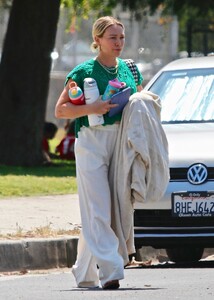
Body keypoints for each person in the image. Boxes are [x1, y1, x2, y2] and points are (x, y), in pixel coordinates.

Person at [55, 16, 143, 289]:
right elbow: (61, 110)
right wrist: (91, 109)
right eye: (112, 38)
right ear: (98, 40)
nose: (118, 43)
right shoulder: (83, 71)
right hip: (91, 141)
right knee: (99, 207)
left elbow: (139, 101)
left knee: (109, 207)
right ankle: (112, 269)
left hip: (119, 141)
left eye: (121, 37)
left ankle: (84, 272)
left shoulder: (129, 69)